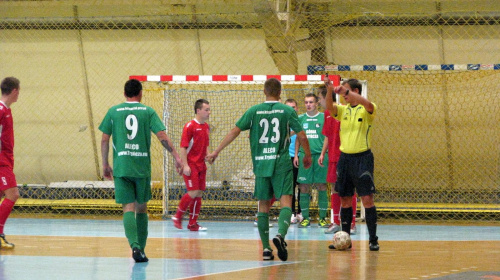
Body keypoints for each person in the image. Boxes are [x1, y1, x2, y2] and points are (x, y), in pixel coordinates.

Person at [206, 78, 312, 261]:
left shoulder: (254, 111)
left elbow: (234, 131)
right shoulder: (287, 110)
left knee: (263, 205)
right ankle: (280, 235)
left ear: (264, 91)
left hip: (261, 164)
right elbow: (301, 135)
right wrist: (307, 155)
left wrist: (216, 150)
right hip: (281, 164)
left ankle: (265, 249)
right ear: (280, 93)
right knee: (286, 202)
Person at [99, 79, 183, 262]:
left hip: (122, 167)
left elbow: (105, 139)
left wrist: (105, 163)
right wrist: (176, 156)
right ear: (141, 93)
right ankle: (142, 250)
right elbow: (162, 136)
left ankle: (134, 247)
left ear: (124, 93)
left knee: (127, 208)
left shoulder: (113, 111)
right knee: (142, 209)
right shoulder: (148, 111)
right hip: (141, 167)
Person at [324, 77, 379, 251]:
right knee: (345, 198)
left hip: (362, 159)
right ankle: (345, 238)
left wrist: (345, 91)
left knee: (367, 199)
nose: (343, 95)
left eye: (346, 91)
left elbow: (368, 104)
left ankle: (373, 239)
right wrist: (330, 90)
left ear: (355, 91)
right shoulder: (343, 110)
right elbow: (329, 107)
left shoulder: (367, 109)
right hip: (345, 159)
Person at [317, 85, 357, 235]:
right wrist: (322, 153)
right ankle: (336, 222)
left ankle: (352, 223)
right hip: (333, 157)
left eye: (320, 98)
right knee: (334, 188)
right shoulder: (327, 113)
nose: (320, 101)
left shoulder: (342, 111)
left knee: (349, 190)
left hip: (345, 155)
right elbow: (327, 135)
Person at [172, 99, 211, 231]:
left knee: (199, 193)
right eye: (206, 110)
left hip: (201, 165)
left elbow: (205, 144)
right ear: (198, 110)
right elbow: (183, 147)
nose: (209, 112)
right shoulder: (189, 126)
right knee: (193, 191)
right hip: (191, 165)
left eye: (209, 110)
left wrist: (208, 155)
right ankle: (177, 216)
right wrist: (186, 165)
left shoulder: (206, 126)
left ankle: (192, 223)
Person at [294, 93, 329, 228]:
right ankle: (305, 218)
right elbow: (298, 138)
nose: (308, 105)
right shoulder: (301, 118)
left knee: (322, 186)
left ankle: (322, 218)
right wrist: (296, 155)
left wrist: (324, 153)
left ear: (317, 104)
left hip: (320, 156)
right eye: (306, 102)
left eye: (311, 102)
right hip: (305, 157)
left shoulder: (324, 117)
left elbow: (328, 136)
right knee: (303, 187)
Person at [0, 77, 21, 250]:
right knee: (12, 194)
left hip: (6, 159)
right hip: (1, 161)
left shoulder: (6, 110)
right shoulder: (0, 109)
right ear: (14, 91)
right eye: (19, 91)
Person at [284, 99, 302, 224]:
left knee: (302, 185)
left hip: (301, 156)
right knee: (289, 186)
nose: (292, 109)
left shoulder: (302, 119)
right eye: (289, 107)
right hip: (287, 157)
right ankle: (291, 212)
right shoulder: (282, 121)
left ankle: (301, 212)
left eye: (294, 107)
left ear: (297, 108)